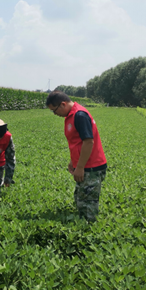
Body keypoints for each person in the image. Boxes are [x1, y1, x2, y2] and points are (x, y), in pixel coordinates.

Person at [46, 91, 107, 222]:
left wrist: (80, 167)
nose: (55, 114)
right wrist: (72, 161)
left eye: (54, 110)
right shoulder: (71, 115)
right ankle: (82, 225)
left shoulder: (79, 115)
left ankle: (90, 231)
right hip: (84, 164)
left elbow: (88, 142)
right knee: (80, 198)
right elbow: (77, 142)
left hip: (91, 166)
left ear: (63, 104)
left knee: (88, 204)